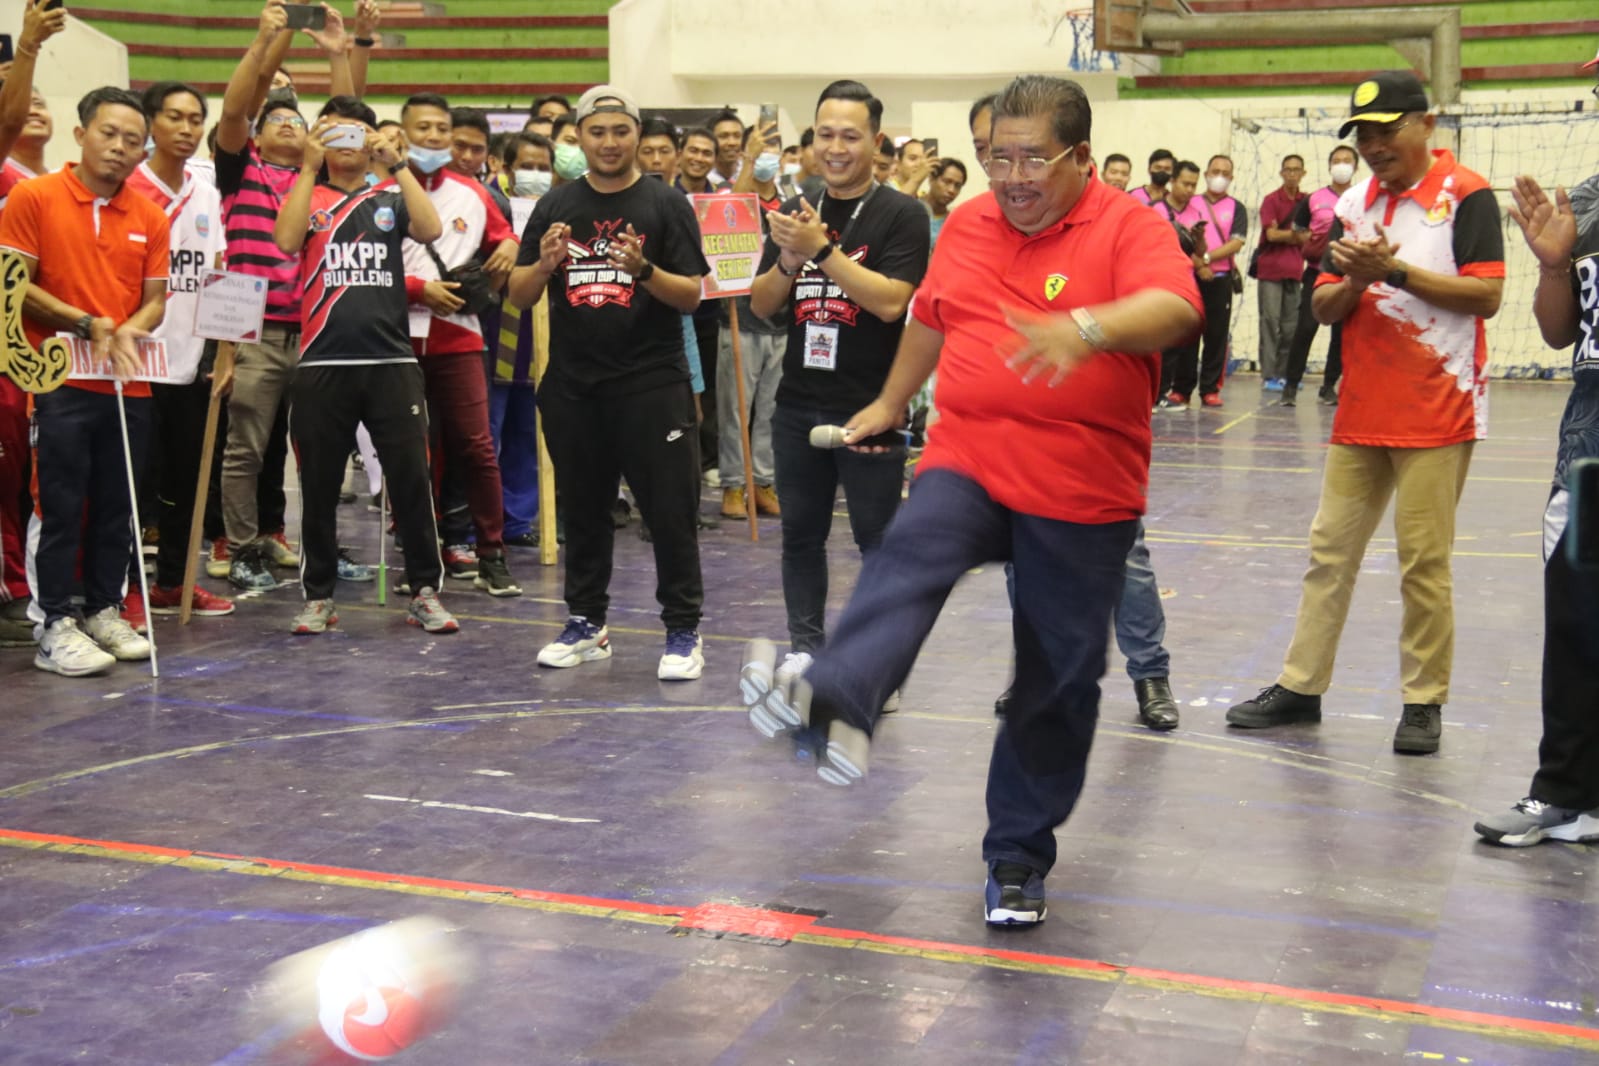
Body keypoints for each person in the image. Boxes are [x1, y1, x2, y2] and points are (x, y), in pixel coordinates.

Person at [740, 74, 1201, 927]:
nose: (1012, 175)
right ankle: (837, 701)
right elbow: (930, 315)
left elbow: (1178, 306)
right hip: (972, 450)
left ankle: (1017, 854)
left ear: (1081, 158)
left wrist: (1086, 329)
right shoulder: (972, 226)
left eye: (1033, 158)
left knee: (1057, 674)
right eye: (996, 157)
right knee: (912, 551)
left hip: (1082, 481)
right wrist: (886, 402)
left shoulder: (1125, 224)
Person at [1225, 71, 1504, 756]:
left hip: (1438, 406)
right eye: (1365, 134)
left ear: (1425, 124)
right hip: (1360, 409)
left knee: (1422, 562)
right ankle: (1301, 685)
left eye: (1386, 130)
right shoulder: (1353, 203)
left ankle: (1421, 701)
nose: (1375, 145)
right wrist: (1353, 277)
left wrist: (1395, 273)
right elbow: (1321, 309)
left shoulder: (1465, 194)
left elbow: (1486, 296)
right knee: (1328, 553)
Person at [508, 85, 711, 680]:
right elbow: (519, 296)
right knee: (586, 509)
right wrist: (543, 264)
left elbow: (691, 295)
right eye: (597, 132)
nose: (609, 142)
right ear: (579, 137)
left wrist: (644, 270)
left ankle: (682, 630)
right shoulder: (555, 206)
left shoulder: (666, 204)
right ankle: (587, 623)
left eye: (621, 131)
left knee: (669, 513)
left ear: (637, 136)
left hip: (651, 383)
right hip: (575, 386)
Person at [747, 79, 930, 675]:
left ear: (876, 143)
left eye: (850, 136)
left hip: (871, 405)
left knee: (878, 544)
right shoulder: (799, 207)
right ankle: (806, 649)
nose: (836, 147)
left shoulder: (902, 214)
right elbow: (761, 304)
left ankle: (880, 662)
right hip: (798, 401)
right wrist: (788, 259)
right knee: (800, 536)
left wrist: (822, 252)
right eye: (825, 134)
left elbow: (891, 303)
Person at [0, 86, 171, 676]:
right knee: (60, 503)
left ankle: (102, 609)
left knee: (118, 506)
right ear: (81, 134)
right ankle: (53, 623)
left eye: (132, 140)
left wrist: (129, 329)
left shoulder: (148, 215)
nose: (120, 148)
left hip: (127, 381)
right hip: (55, 377)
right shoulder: (34, 196)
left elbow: (155, 301)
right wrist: (84, 321)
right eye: (109, 134)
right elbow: (13, 282)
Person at [273, 95, 457, 637]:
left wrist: (397, 164)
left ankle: (425, 590)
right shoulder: (306, 193)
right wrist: (307, 166)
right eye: (331, 131)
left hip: (391, 360)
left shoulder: (388, 196)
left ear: (371, 138)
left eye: (355, 132)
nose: (343, 142)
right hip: (322, 363)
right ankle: (319, 596)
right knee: (319, 482)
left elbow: (429, 230)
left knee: (411, 478)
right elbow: (286, 242)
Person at [1473, 136, 1599, 845]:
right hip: (1590, 437)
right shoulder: (1583, 201)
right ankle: (1565, 794)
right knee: (1578, 623)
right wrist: (1554, 265)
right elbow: (1556, 332)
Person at [214, 0, 353, 591]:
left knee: (320, 451)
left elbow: (348, 121)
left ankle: (318, 549)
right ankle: (242, 546)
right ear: (256, 135)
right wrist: (266, 39)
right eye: (276, 120)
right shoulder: (238, 170)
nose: (289, 124)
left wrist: (338, 54)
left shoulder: (319, 179)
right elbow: (235, 106)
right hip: (258, 333)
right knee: (245, 448)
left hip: (318, 331)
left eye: (297, 119)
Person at [395, 93, 521, 596]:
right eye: (422, 127)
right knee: (409, 454)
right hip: (397, 338)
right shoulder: (382, 191)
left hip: (460, 337)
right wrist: (416, 289)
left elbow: (503, 235)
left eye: (440, 129)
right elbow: (366, 266)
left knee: (476, 446)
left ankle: (491, 554)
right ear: (403, 134)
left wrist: (510, 244)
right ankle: (419, 557)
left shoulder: (473, 192)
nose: (432, 136)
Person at [126, 81, 237, 620]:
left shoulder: (207, 190)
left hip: (191, 363)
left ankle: (174, 581)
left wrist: (227, 354)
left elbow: (217, 273)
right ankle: (124, 591)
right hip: (132, 362)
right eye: (174, 117)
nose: (188, 128)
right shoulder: (127, 186)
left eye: (196, 119)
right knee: (132, 487)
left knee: (185, 486)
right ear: (150, 123)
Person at [0, 0, 65, 647]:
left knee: (13, 469)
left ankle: (17, 585)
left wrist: (25, 49)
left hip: (19, 347)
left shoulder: (33, 187)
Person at [1281, 145, 1358, 407]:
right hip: (1315, 272)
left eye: (1347, 160)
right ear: (1328, 166)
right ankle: (1290, 386)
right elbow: (1297, 228)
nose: (1341, 165)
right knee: (1304, 329)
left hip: (1348, 278)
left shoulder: (1362, 198)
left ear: (1355, 167)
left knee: (1341, 335)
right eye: (1336, 160)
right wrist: (1309, 242)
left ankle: (1328, 387)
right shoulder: (1313, 199)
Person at [1255, 153, 1307, 392]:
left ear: (1303, 173)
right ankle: (1268, 375)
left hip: (1295, 271)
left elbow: (1310, 235)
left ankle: (1285, 374)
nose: (1292, 174)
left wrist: (1292, 236)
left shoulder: (1306, 201)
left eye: (1297, 169)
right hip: (1270, 271)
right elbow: (1271, 235)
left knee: (1290, 327)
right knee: (1270, 322)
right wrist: (1295, 236)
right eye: (1288, 169)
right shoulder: (1270, 200)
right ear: (1281, 173)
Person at [923, 158, 967, 247]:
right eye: (947, 182)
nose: (952, 190)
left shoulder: (954, 222)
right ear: (931, 179)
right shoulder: (911, 207)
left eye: (957, 186)